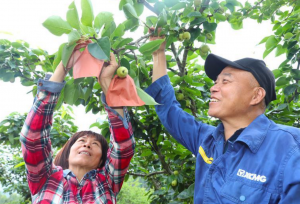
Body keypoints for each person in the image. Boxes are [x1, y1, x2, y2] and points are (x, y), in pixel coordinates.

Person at [145, 35, 300, 203]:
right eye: (215, 81)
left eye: (225, 81)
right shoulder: (207, 140)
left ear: (256, 96)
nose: (213, 88)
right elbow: (168, 108)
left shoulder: (290, 148)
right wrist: (158, 53)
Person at [20, 48, 135, 203]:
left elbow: (124, 147)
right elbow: (32, 138)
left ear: (102, 160)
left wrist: (106, 82)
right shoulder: (44, 178)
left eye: (95, 144)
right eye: (81, 141)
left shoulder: (107, 182)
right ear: (68, 151)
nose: (87, 144)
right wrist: (64, 66)